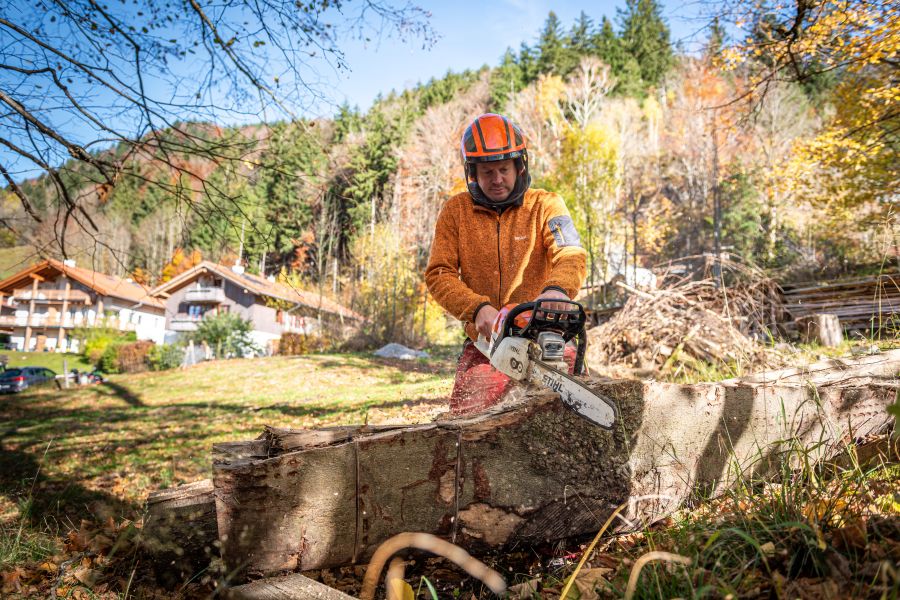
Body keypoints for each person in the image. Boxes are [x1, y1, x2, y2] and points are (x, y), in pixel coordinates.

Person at [425, 113, 587, 415]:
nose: (496, 179)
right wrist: (476, 308)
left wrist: (557, 290)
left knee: (575, 421)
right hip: (487, 346)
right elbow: (439, 273)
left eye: (503, 169)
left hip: (545, 338)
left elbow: (571, 253)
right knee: (466, 428)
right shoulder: (456, 212)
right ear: (472, 172)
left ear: (519, 166)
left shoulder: (546, 205)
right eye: (487, 172)